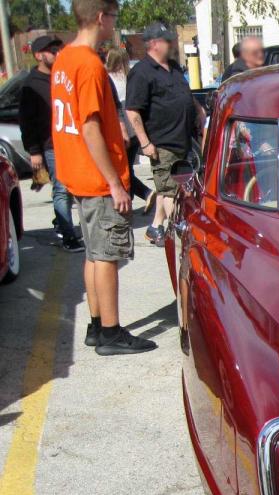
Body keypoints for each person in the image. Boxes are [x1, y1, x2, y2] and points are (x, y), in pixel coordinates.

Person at [51, 0, 157, 354]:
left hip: (78, 174)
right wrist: (115, 182)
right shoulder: (89, 65)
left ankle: (97, 325)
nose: (114, 24)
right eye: (113, 17)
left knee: (95, 254)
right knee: (108, 255)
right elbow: (90, 126)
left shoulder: (63, 59)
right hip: (97, 178)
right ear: (101, 17)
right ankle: (111, 332)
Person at [125, 22, 206, 246]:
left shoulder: (173, 67)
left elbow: (185, 94)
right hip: (161, 143)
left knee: (169, 187)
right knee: (172, 192)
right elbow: (132, 110)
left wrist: (198, 110)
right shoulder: (141, 73)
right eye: (166, 40)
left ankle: (154, 227)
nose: (171, 44)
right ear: (153, 44)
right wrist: (145, 143)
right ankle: (184, 234)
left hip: (183, 140)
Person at [18, 35, 84, 252]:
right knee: (62, 189)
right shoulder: (32, 84)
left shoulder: (61, 77)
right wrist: (34, 151)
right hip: (50, 146)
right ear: (38, 55)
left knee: (75, 188)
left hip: (71, 142)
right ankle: (68, 236)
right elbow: (27, 121)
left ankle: (62, 223)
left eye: (58, 49)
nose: (57, 53)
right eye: (51, 51)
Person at [104, 46, 155, 211]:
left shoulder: (109, 80)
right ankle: (138, 195)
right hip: (134, 132)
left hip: (120, 131)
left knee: (122, 171)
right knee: (128, 168)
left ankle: (144, 193)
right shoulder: (130, 79)